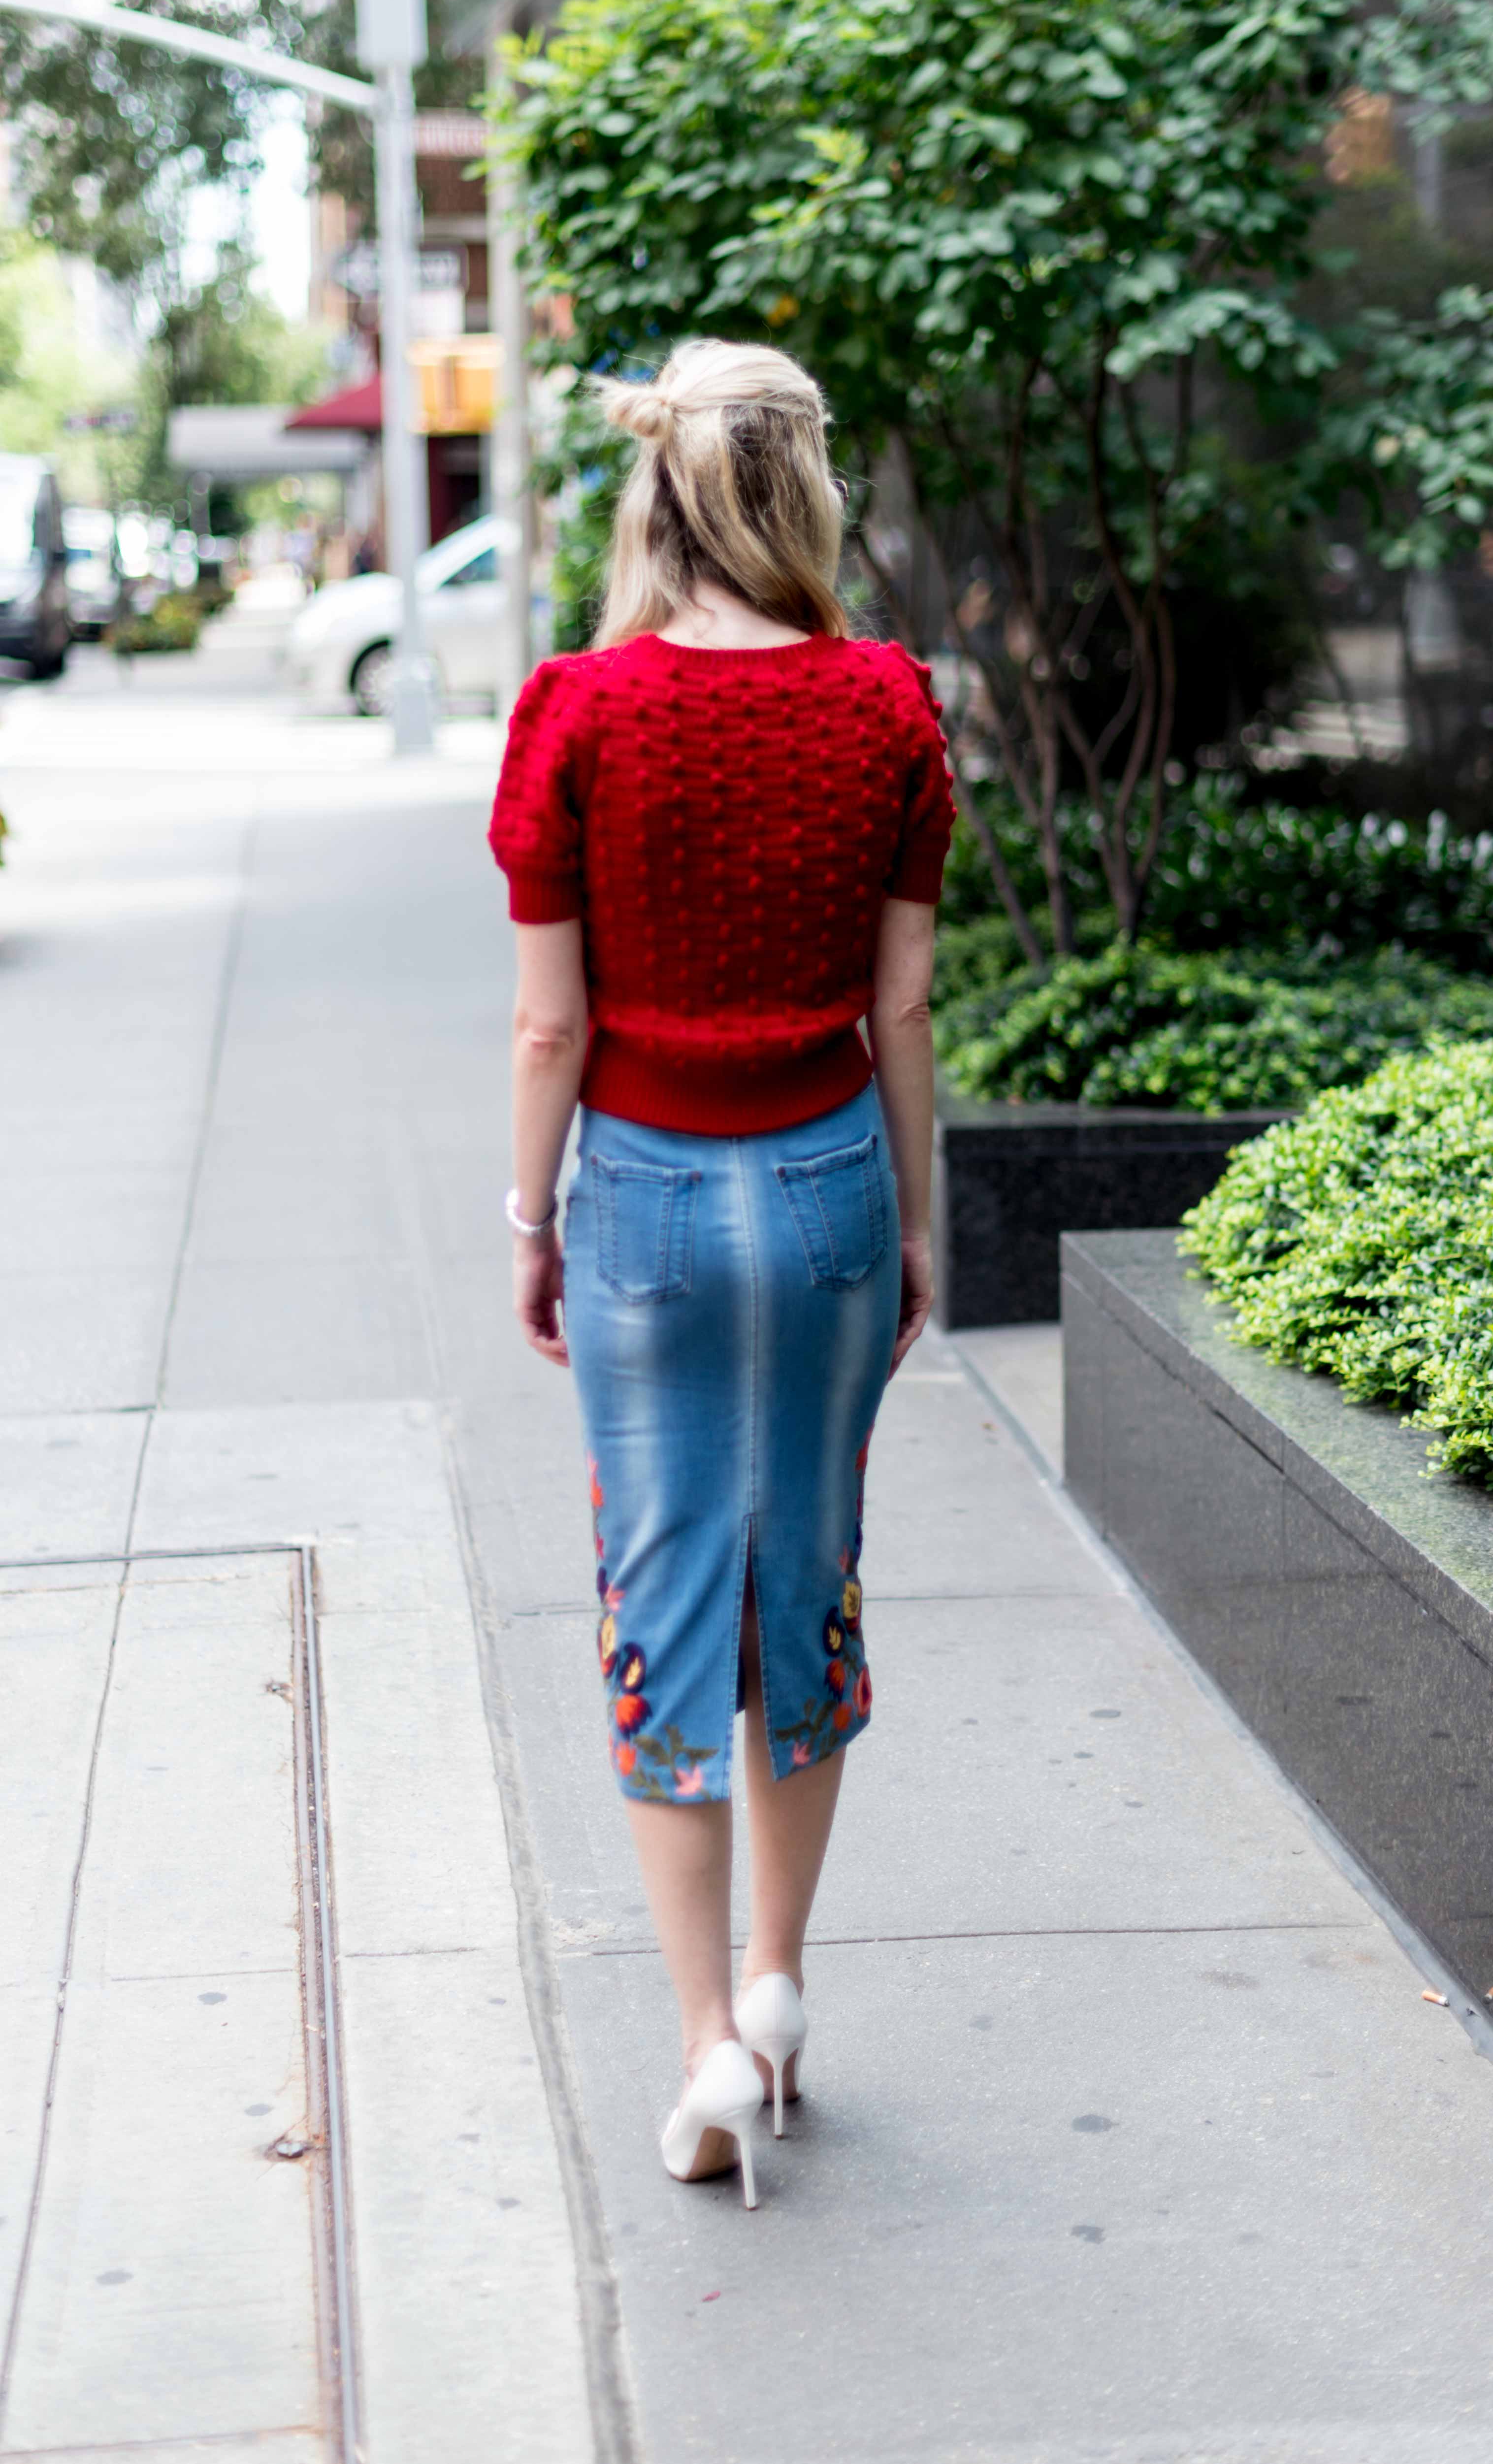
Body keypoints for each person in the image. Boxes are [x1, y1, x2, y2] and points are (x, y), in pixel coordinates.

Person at [489, 337, 952, 2209]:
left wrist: (532, 1229)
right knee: (806, 1580)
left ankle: (703, 2048)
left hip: (650, 1210)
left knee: (661, 1590)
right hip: (836, 1180)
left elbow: (547, 1030)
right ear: (805, 489)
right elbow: (905, 1000)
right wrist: (921, 1225)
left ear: (656, 489)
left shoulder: (574, 713)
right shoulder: (890, 702)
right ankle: (779, 1979)